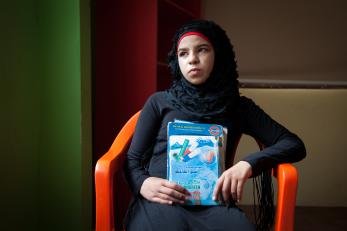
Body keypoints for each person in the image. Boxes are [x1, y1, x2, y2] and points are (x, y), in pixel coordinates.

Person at [123, 19, 306, 231]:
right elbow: (132, 159)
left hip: (214, 204)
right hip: (161, 201)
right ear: (176, 61)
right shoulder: (159, 102)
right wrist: (144, 184)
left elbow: (293, 144)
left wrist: (247, 165)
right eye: (183, 53)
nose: (192, 59)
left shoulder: (238, 106)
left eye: (202, 50)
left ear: (219, 54)